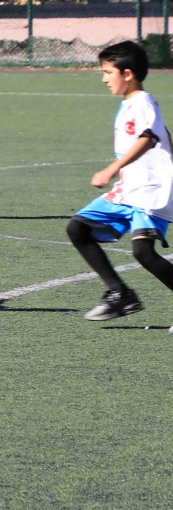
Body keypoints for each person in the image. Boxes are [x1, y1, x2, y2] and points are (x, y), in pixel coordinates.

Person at [66, 40, 173, 324]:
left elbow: (149, 137)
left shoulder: (143, 101)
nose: (103, 79)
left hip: (150, 191)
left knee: (143, 253)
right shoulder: (130, 104)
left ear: (128, 74)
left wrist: (111, 168)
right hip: (128, 190)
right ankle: (120, 294)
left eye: (107, 72)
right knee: (78, 228)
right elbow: (164, 134)